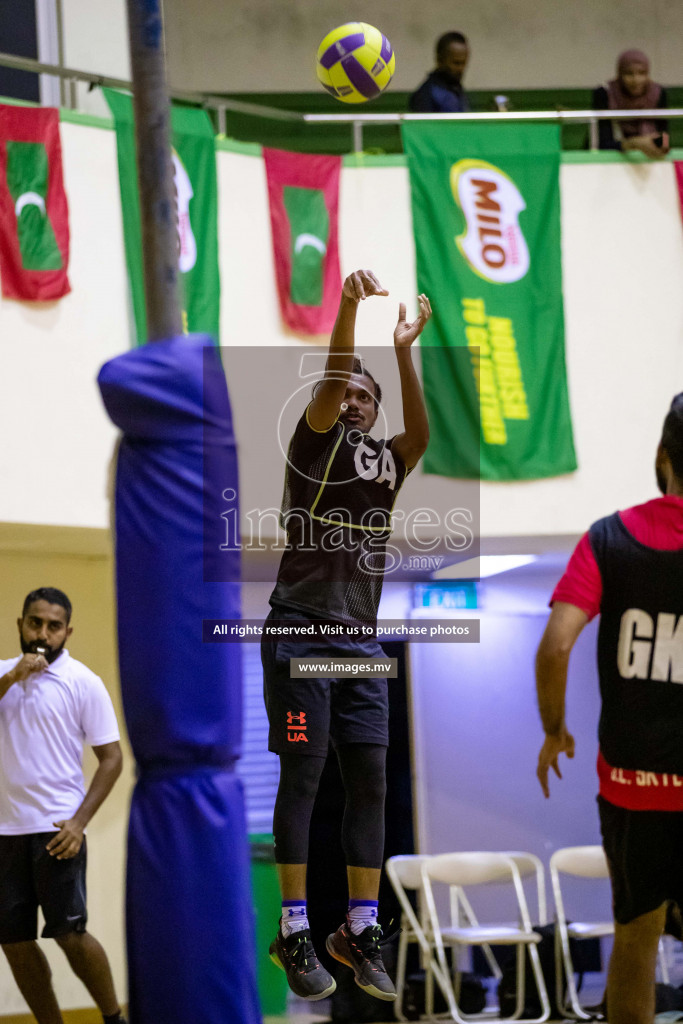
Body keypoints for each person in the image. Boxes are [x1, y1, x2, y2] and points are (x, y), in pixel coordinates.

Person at [263, 269, 431, 1002]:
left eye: (369, 397)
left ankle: (358, 929)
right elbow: (334, 376)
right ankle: (295, 928)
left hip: (362, 645)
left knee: (370, 783)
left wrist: (401, 352)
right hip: (300, 633)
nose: (357, 402)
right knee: (303, 776)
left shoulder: (384, 463)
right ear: (330, 405)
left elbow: (419, 433)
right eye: (348, 394)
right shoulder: (314, 445)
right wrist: (348, 308)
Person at [535, 394, 683, 1024]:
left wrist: (554, 730)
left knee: (636, 939)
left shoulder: (610, 538)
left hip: (633, 790)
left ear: (661, 456)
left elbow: (556, 645)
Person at [0, 588, 126, 1024]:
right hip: (5, 833)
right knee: (13, 940)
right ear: (20, 624)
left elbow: (111, 758)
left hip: (58, 830)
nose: (42, 633)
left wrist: (79, 822)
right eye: (35, 622)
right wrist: (14, 676)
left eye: (53, 626)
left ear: (66, 632)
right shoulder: (3, 676)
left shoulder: (83, 682)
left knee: (69, 934)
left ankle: (113, 1018)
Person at [593, 49, 670, 157]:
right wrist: (634, 144)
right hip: (610, 161)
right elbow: (603, 144)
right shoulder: (605, 93)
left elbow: (665, 135)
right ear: (619, 74)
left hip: (649, 160)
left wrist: (663, 146)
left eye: (642, 73)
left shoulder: (658, 93)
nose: (636, 80)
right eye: (629, 73)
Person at [409, 31, 471, 114]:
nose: (461, 68)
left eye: (463, 63)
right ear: (440, 60)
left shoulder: (456, 89)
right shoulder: (426, 95)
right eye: (456, 63)